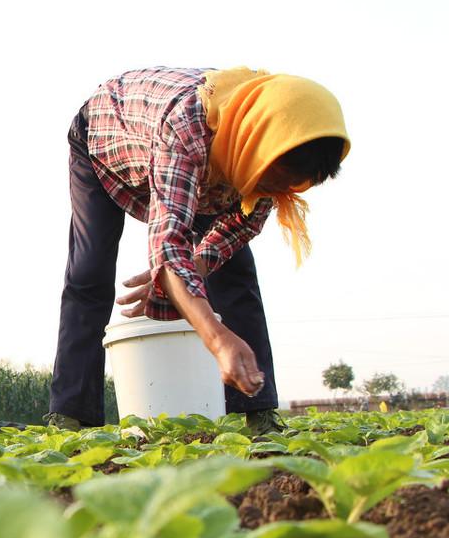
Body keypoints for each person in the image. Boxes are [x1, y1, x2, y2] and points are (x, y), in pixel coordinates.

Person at [46, 66, 349, 435]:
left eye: (287, 187)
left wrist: (187, 274)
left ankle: (260, 412)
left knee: (237, 273)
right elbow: (169, 246)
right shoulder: (187, 127)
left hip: (199, 172)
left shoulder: (264, 149)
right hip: (103, 144)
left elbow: (237, 229)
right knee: (89, 270)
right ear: (258, 142)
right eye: (272, 180)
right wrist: (216, 337)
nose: (272, 192)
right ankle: (71, 414)